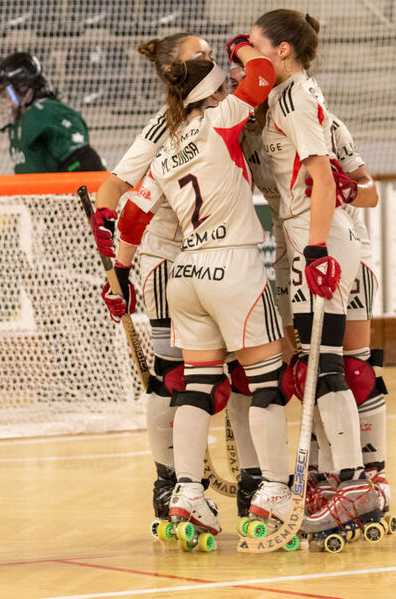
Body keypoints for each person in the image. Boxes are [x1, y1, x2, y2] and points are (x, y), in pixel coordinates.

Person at [107, 46, 290, 545]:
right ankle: (274, 489)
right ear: (211, 91)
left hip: (184, 273)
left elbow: (131, 217)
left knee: (195, 386)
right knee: (267, 382)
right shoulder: (223, 117)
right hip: (232, 264)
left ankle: (187, 494)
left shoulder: (168, 149)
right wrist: (247, 51)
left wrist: (119, 275)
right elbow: (263, 76)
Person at [243, 9, 385, 538]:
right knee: (312, 365)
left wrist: (318, 249)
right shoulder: (276, 98)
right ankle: (335, 476)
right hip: (297, 238)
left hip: (316, 238)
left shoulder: (299, 96)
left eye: (257, 45)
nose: (246, 57)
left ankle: (354, 485)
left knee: (327, 365)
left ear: (282, 50)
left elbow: (324, 180)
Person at [0, 51, 105, 173]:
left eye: (7, 95)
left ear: (23, 87)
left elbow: (86, 161)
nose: (7, 103)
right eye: (3, 97)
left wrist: (62, 190)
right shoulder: (19, 124)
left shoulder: (43, 112)